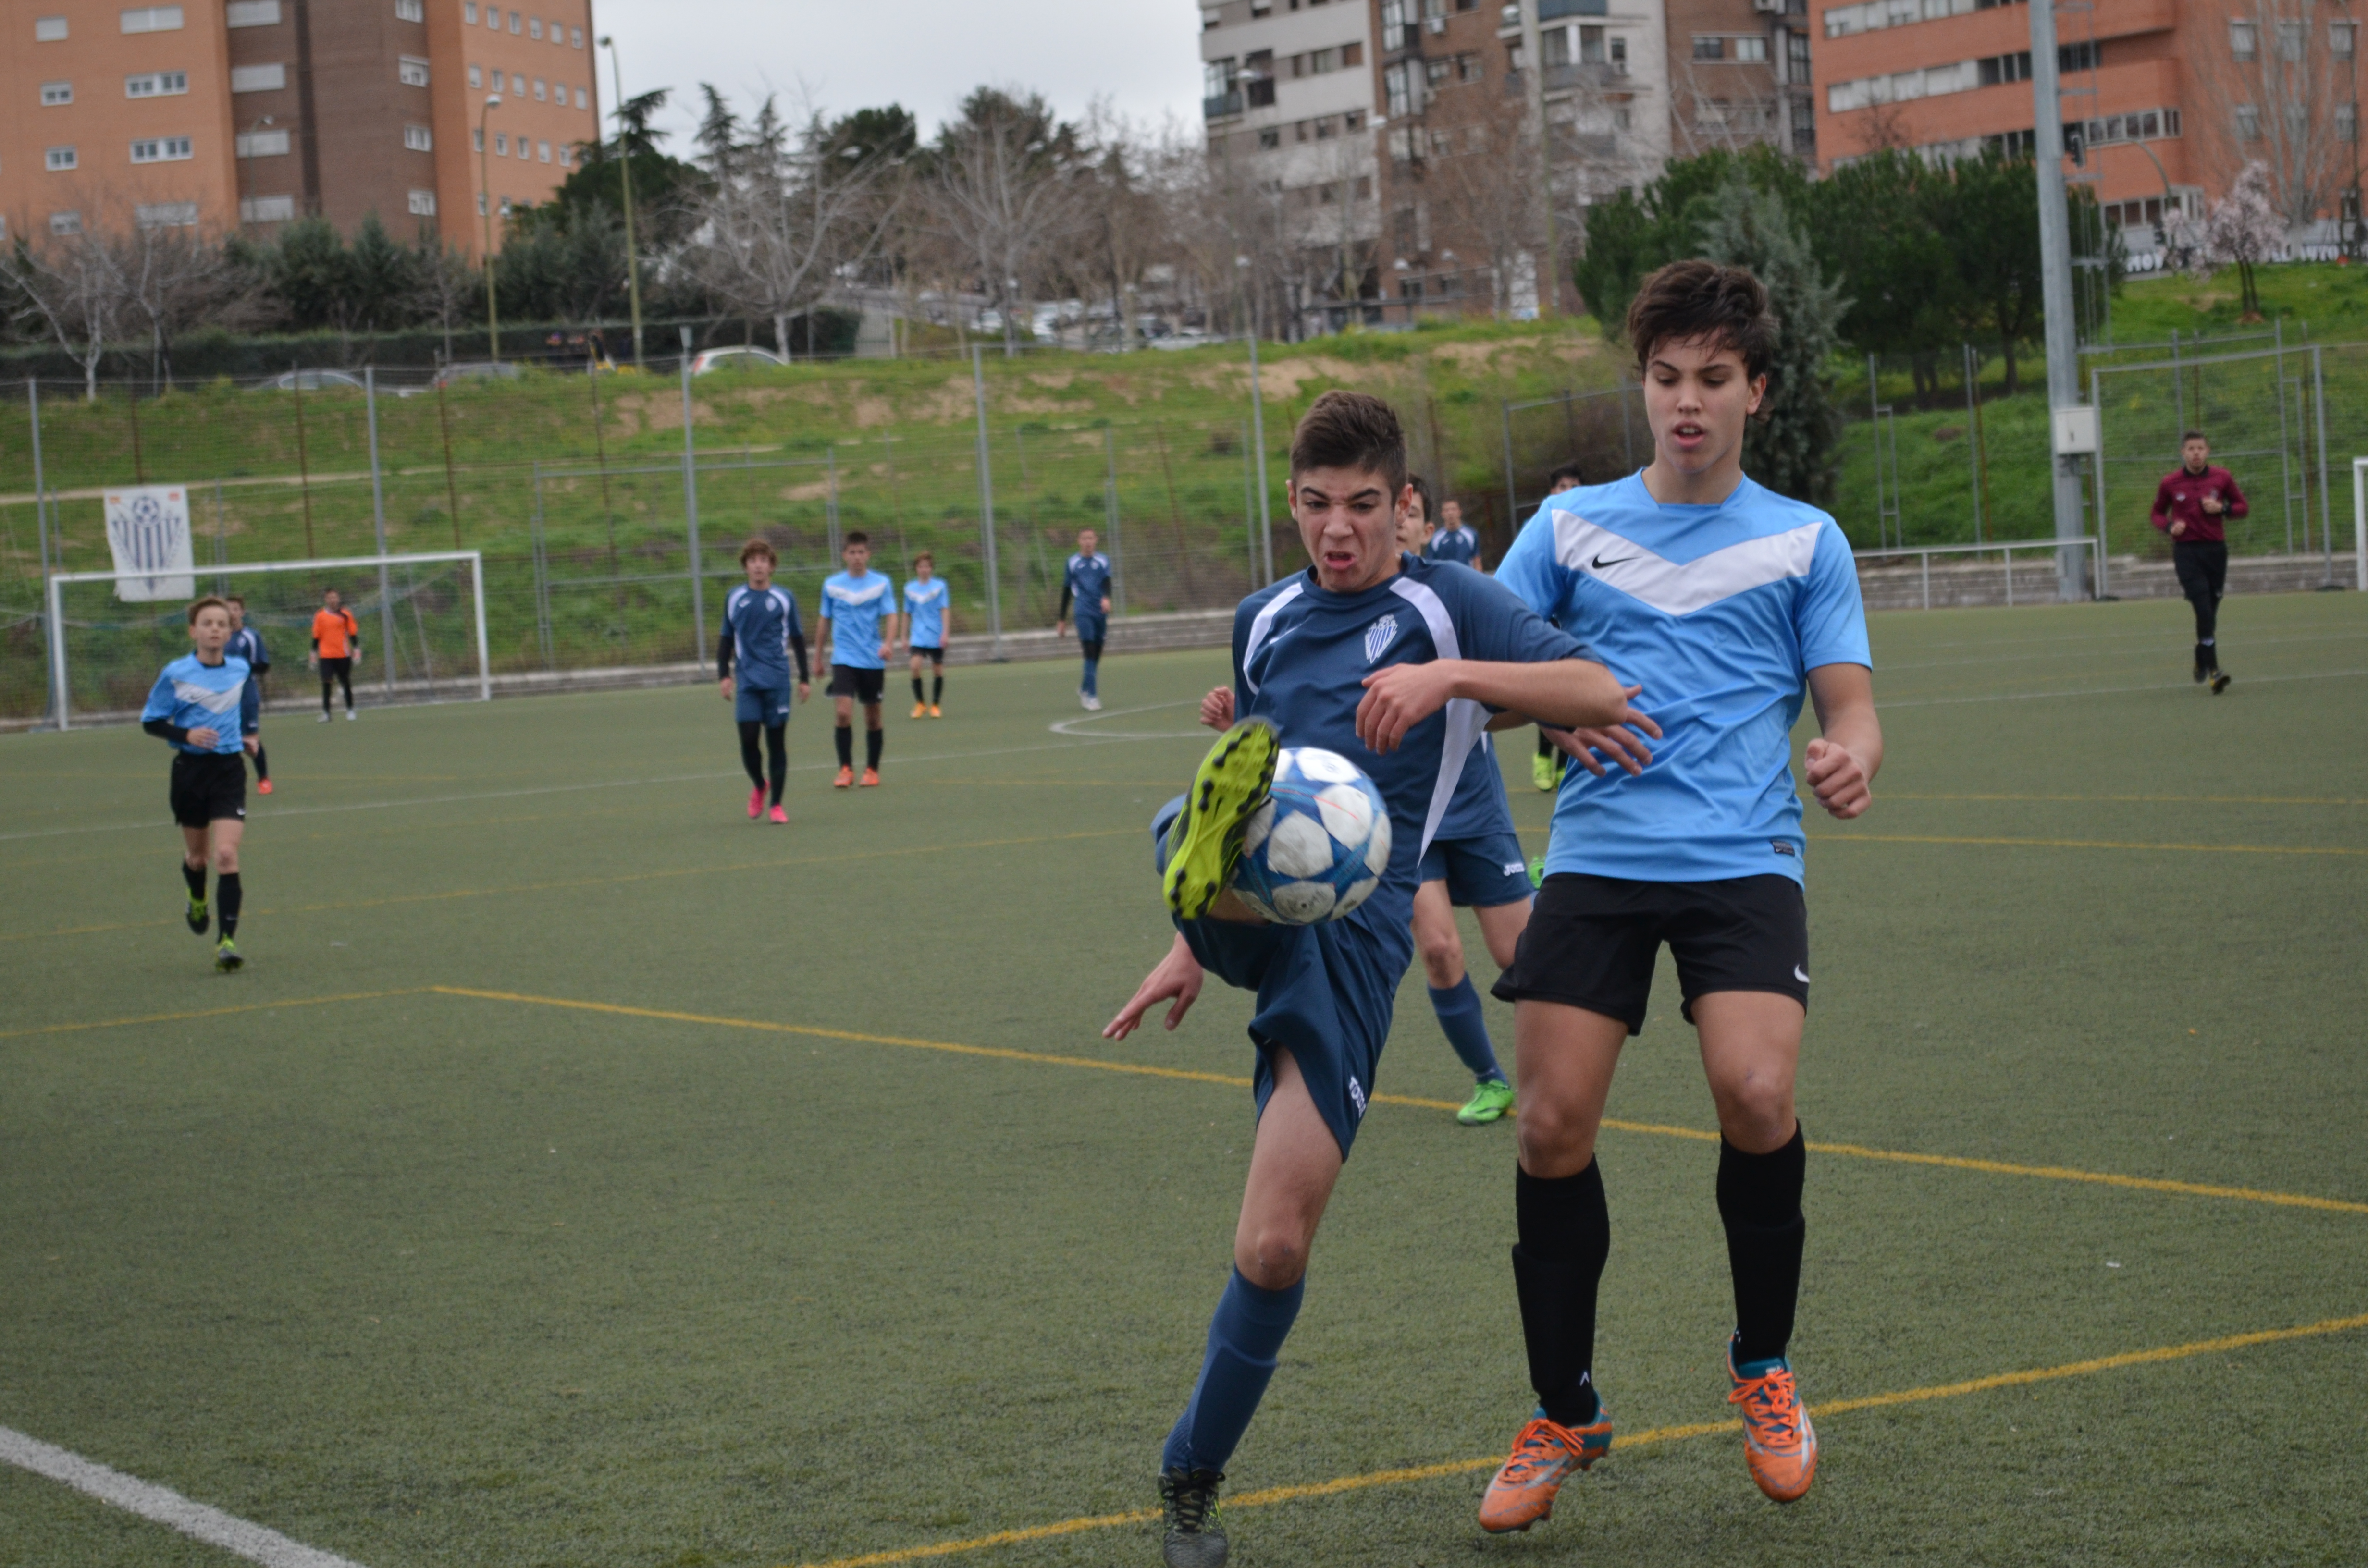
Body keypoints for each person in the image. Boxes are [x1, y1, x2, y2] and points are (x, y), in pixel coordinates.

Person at [1102, 390, 1641, 1568]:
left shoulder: (1451, 603)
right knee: (1192, 828)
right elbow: (1253, 795)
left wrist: (1455, 685)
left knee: (1274, 1248)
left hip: (1357, 938)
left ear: (1404, 506)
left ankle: (1187, 1473)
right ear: (1289, 504)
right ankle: (1196, 895)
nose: (1336, 530)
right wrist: (1190, 949)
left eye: (1360, 506)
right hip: (1262, 903)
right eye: (1313, 506)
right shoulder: (1260, 621)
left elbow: (1602, 691)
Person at [1477, 259, 1881, 1532]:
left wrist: (1850, 757)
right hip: (1597, 862)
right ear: (1642, 387)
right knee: (1550, 1128)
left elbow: (1851, 704)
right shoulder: (1566, 530)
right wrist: (1555, 708)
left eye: (1714, 378)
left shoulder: (1806, 540)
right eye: (1666, 379)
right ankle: (1565, 1407)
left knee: (1758, 1093)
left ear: (1756, 390)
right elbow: (1481, 673)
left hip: (1744, 860)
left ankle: (1762, 1366)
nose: (1687, 402)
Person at [1394, 474, 1527, 1126]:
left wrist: (1562, 720)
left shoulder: (1458, 601)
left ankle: (1554, 1075)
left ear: (1426, 530)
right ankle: (1491, 1079)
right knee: (1441, 948)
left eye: (1410, 513)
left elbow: (1509, 695)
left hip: (1472, 802)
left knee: (1520, 957)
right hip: (1407, 819)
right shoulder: (1348, 611)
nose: (1398, 522)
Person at [141, 596, 260, 973]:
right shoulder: (176, 672)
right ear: (194, 631)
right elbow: (151, 721)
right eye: (207, 623)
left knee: (226, 854)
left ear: (230, 631)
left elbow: (248, 703)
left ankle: (226, 941)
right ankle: (196, 896)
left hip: (228, 771)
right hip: (190, 772)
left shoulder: (240, 669)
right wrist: (187, 734)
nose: (215, 629)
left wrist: (250, 734)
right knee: (198, 857)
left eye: (222, 624)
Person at [718, 539, 811, 823]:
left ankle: (777, 806)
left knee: (776, 744)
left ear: (771, 566)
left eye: (763, 560)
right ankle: (760, 785)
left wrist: (804, 678)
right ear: (746, 566)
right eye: (753, 560)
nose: (758, 565)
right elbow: (725, 639)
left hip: (778, 681)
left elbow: (797, 638)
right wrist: (724, 674)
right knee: (748, 741)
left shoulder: (784, 598)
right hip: (747, 680)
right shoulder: (735, 598)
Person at [2149, 430, 2245, 693]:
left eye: (2200, 448)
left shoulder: (2222, 478)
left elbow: (2242, 507)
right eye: (2190, 449)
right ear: (2183, 452)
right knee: (2202, 605)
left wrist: (2222, 509)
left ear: (2208, 451)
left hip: (2215, 552)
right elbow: (2157, 513)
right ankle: (2215, 672)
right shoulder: (2171, 482)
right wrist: (2169, 526)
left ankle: (2200, 653)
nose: (2196, 453)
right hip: (2187, 553)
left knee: (2210, 611)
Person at [818, 532, 896, 788]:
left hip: (872, 659)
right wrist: (818, 656)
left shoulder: (882, 583)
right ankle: (845, 769)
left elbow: (891, 616)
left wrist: (888, 643)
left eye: (862, 552)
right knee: (843, 713)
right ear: (844, 556)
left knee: (873, 717)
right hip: (843, 658)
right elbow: (824, 621)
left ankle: (872, 770)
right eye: (852, 552)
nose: (857, 557)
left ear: (868, 554)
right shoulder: (832, 585)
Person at [1533, 464, 1590, 793]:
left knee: (1575, 699)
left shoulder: (1596, 538)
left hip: (1579, 634)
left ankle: (1562, 764)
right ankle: (1542, 758)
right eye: (1562, 486)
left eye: (1575, 486)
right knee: (1549, 698)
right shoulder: (1541, 535)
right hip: (1547, 631)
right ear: (1552, 492)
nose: (1568, 492)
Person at [1057, 527, 1115, 711]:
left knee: (1097, 653)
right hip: (1082, 611)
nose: (1088, 542)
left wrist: (1106, 598)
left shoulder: (1103, 560)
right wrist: (1062, 619)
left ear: (1096, 540)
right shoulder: (1073, 562)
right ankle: (1092, 696)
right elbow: (1067, 590)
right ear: (1079, 541)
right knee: (1089, 651)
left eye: (1091, 538)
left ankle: (1084, 687)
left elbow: (1107, 582)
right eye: (1084, 539)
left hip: (1100, 612)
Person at [224, 595, 274, 796]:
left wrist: (241, 669)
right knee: (225, 739)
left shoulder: (251, 637)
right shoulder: (220, 637)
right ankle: (229, 782)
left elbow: (263, 665)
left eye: (235, 609)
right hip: (224, 697)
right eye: (228, 609)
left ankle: (263, 779)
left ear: (242, 612)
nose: (231, 613)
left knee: (251, 741)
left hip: (246, 695)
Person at [904, 552, 951, 718]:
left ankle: (936, 705)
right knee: (915, 666)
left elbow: (944, 609)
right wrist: (904, 637)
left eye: (927, 566)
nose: (924, 569)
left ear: (931, 568)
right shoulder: (910, 589)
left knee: (937, 670)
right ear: (916, 569)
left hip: (935, 635)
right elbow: (907, 613)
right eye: (921, 566)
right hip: (918, 635)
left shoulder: (940, 586)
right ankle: (920, 704)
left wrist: (945, 633)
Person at [309, 588, 361, 721]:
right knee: (327, 682)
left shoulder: (345, 614)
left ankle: (350, 710)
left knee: (345, 682)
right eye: (330, 597)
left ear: (338, 598)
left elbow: (352, 633)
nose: (332, 600)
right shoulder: (320, 616)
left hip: (343, 654)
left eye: (335, 597)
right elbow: (316, 636)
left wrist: (356, 649)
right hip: (326, 656)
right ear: (326, 599)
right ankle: (327, 713)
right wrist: (313, 653)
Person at [1423, 496, 1482, 569]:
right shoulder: (1435, 539)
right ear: (1442, 514)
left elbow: (1477, 562)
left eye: (1453, 509)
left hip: (1466, 579)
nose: (1450, 513)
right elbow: (1431, 565)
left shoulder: (1471, 535)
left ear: (1460, 512)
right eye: (1447, 510)